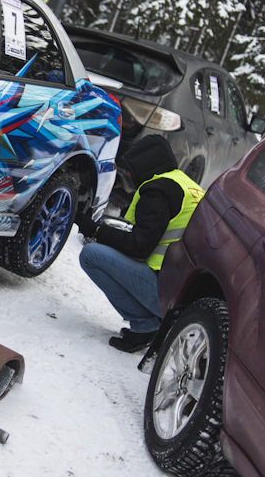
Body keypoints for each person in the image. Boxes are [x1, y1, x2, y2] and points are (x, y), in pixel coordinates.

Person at [75, 135, 204, 353]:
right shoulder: (186, 185)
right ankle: (151, 322)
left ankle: (145, 326)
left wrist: (96, 230)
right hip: (186, 293)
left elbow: (139, 247)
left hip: (167, 295)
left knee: (91, 255)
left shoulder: (157, 192)